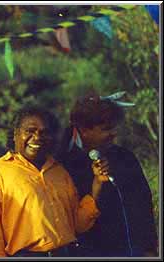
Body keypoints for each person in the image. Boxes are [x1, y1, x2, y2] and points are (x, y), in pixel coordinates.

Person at [0, 106, 110, 257]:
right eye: (30, 131)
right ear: (15, 134)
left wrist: (98, 184)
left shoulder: (59, 172)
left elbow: (77, 225)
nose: (37, 137)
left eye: (44, 132)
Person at [57, 91, 158, 257]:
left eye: (113, 127)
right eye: (106, 129)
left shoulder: (125, 158)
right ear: (84, 130)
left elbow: (143, 203)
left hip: (136, 251)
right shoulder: (65, 166)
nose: (113, 134)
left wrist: (149, 247)